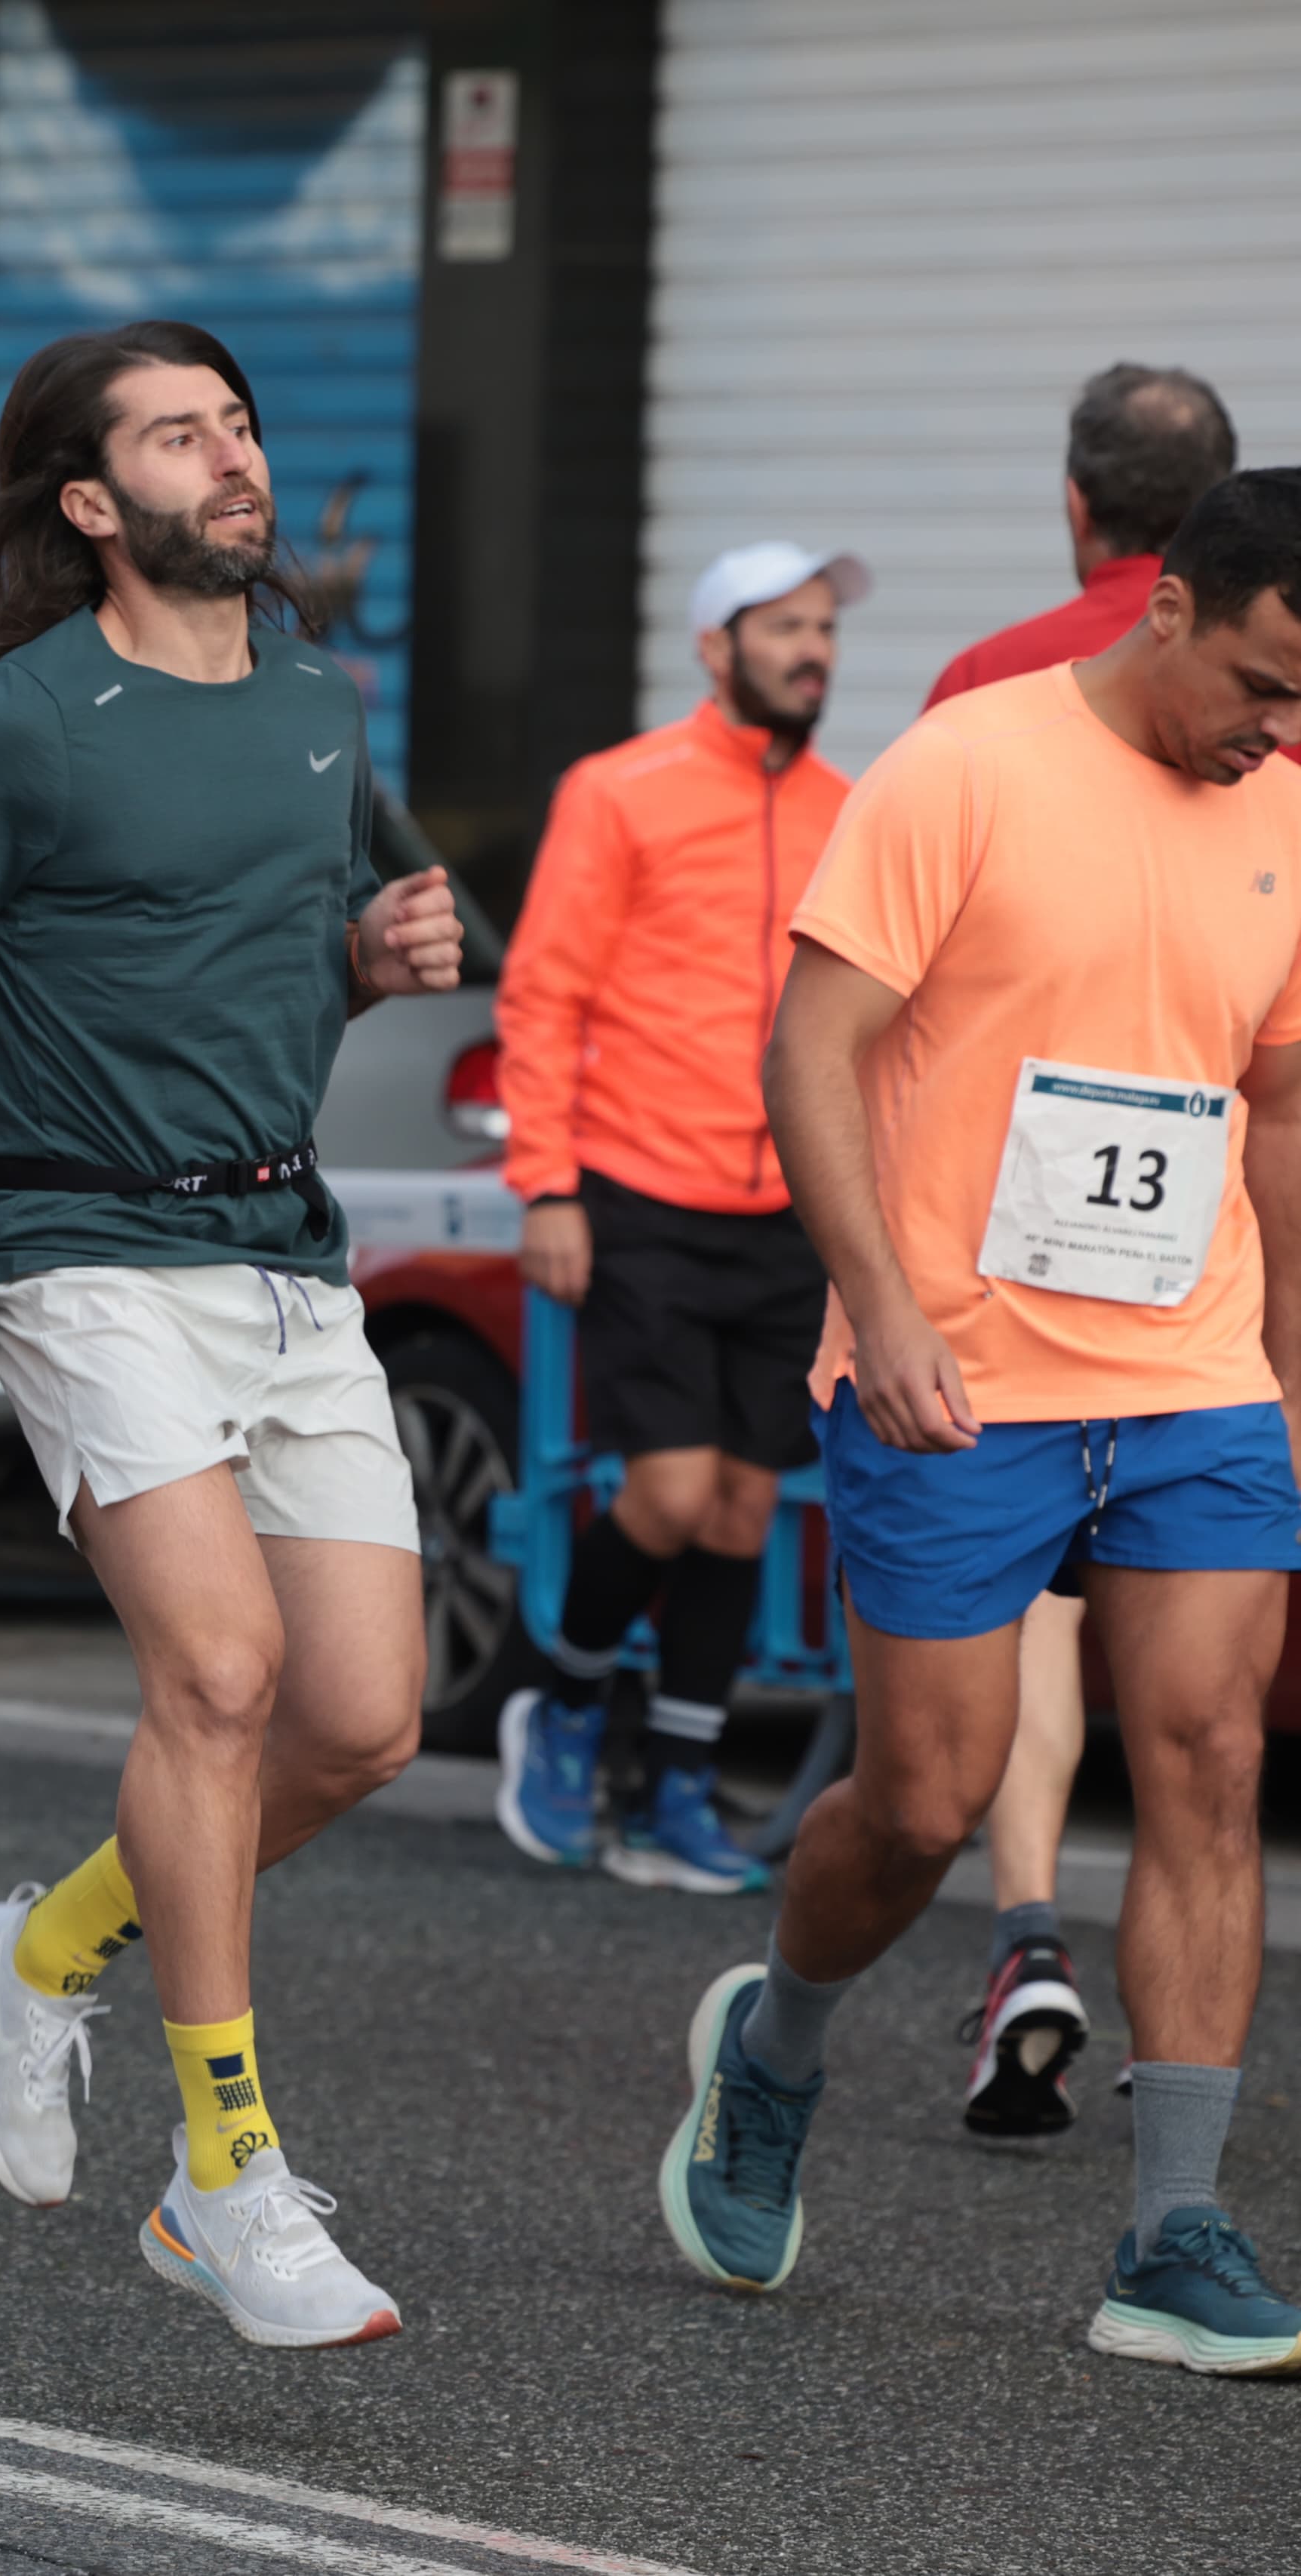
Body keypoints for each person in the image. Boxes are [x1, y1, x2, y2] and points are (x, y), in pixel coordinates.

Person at [0, 320, 464, 2349]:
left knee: (361, 1721)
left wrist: (366, 958)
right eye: (181, 434)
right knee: (225, 1671)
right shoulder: (12, 727)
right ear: (89, 503)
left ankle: (34, 1941)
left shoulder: (324, 710)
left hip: (285, 1253)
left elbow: (265, 991)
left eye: (240, 422)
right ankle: (226, 2174)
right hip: (81, 1243)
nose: (233, 457)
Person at [665, 469, 1301, 2377]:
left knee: (1203, 1760)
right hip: (957, 1371)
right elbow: (810, 1047)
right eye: (1263, 682)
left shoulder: (1287, 800)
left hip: (1193, 1372)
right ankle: (771, 2042)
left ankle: (1171, 2231)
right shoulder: (963, 764)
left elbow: (1271, 1106)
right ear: (1171, 607)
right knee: (926, 1802)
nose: (1276, 729)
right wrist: (874, 1305)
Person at [921, 362, 1238, 2137]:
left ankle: (1026, 1926)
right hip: (1217, 1227)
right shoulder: (1270, 689)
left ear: (1074, 503)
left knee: (1033, 1605)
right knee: (1206, 1715)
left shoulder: (989, 683)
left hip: (1013, 1208)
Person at [490, 540, 864, 1894]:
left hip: (787, 1204)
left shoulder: (850, 807)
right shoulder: (619, 791)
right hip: (636, 1188)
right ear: (718, 648)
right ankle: (567, 1698)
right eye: (784, 626)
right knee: (669, 1489)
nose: (812, 648)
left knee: (744, 1506)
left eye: (824, 627)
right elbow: (544, 994)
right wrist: (546, 1182)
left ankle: (680, 1794)